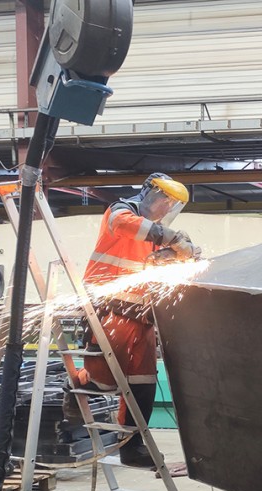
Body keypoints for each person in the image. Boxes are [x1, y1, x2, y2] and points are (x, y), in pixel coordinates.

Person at [72, 173, 199, 467]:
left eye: (173, 205)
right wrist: (171, 238)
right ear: (151, 194)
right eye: (166, 201)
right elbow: (125, 225)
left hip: (139, 314)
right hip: (107, 306)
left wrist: (184, 253)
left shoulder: (154, 237)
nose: (167, 209)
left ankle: (132, 446)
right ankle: (76, 382)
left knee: (144, 381)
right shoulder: (121, 211)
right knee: (105, 380)